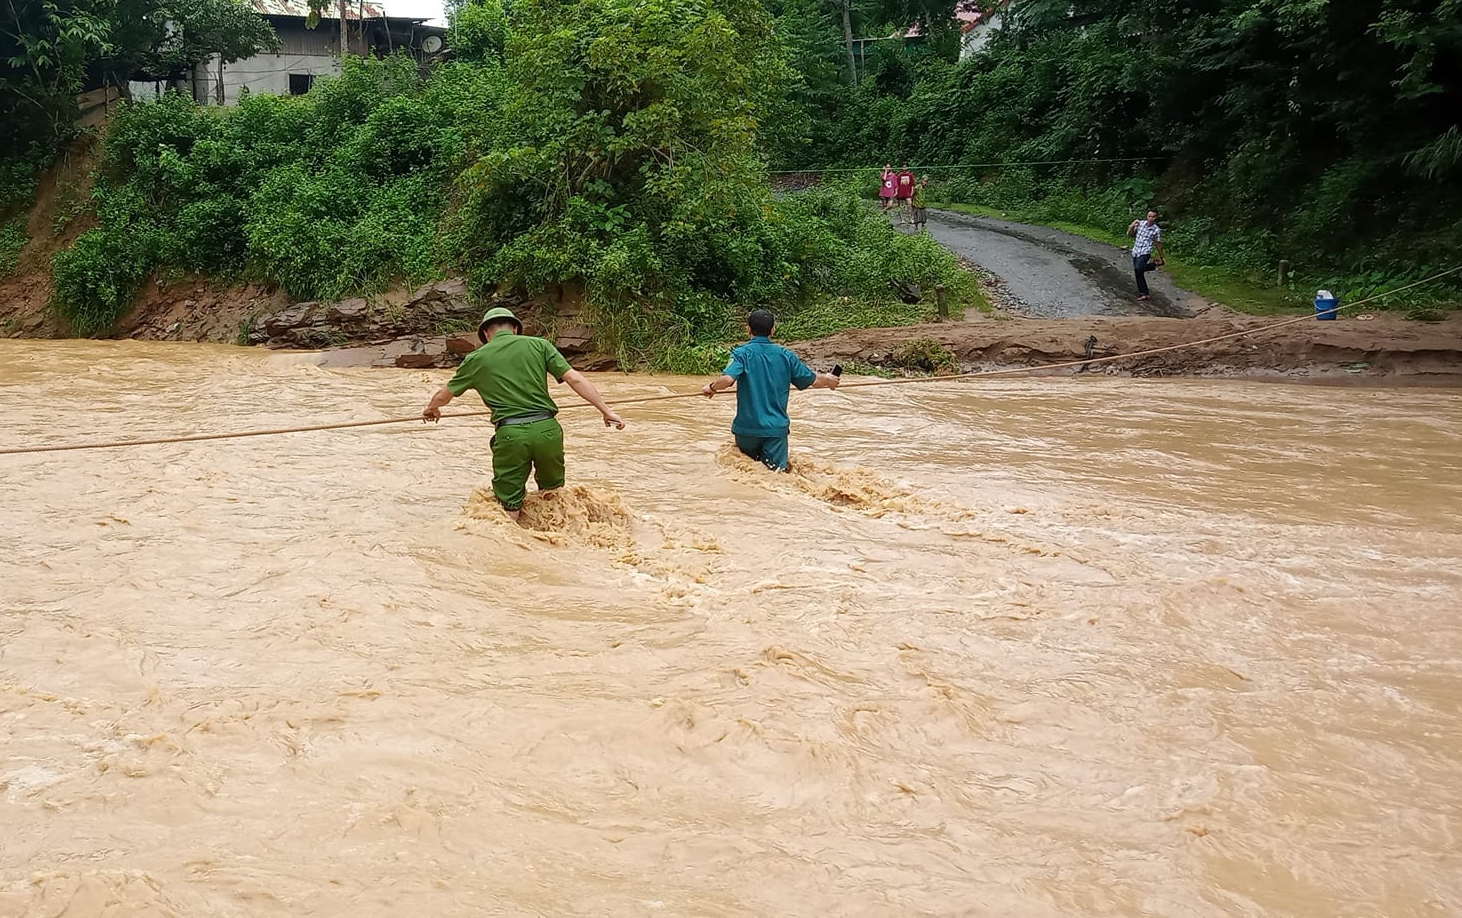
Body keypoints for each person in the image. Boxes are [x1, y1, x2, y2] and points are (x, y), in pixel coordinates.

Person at [422, 306, 625, 521]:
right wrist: (606, 411)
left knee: (509, 507)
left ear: (486, 334)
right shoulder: (540, 346)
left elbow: (443, 396)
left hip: (511, 435)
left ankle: (511, 550)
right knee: (553, 496)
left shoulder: (476, 359)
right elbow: (575, 379)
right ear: (516, 328)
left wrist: (431, 409)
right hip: (548, 431)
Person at [701, 309, 841, 472]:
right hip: (775, 430)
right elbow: (813, 380)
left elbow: (727, 380)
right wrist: (829, 379)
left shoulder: (741, 354)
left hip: (746, 430)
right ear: (773, 330)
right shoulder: (786, 356)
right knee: (775, 476)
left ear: (748, 329)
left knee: (746, 474)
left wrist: (711, 388)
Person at [1127, 210, 1166, 301]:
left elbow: (1158, 243)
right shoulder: (1140, 224)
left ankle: (1153, 265)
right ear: (1147, 216)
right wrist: (1132, 225)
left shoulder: (1156, 230)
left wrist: (1162, 256)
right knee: (1138, 272)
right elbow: (1129, 234)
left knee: (1138, 268)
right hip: (1136, 250)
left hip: (1145, 251)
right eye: (1149, 216)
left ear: (1155, 218)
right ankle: (1144, 293)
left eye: (1153, 217)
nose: (1151, 219)